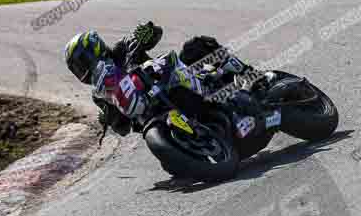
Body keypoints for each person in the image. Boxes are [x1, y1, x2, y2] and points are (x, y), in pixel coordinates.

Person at [64, 22, 261, 140]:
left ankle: (250, 76)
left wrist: (146, 33)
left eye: (82, 62)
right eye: (77, 68)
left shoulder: (121, 49)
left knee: (195, 47)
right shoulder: (100, 94)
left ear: (94, 49)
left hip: (170, 81)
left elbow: (156, 33)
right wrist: (109, 118)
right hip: (155, 115)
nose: (82, 70)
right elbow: (122, 128)